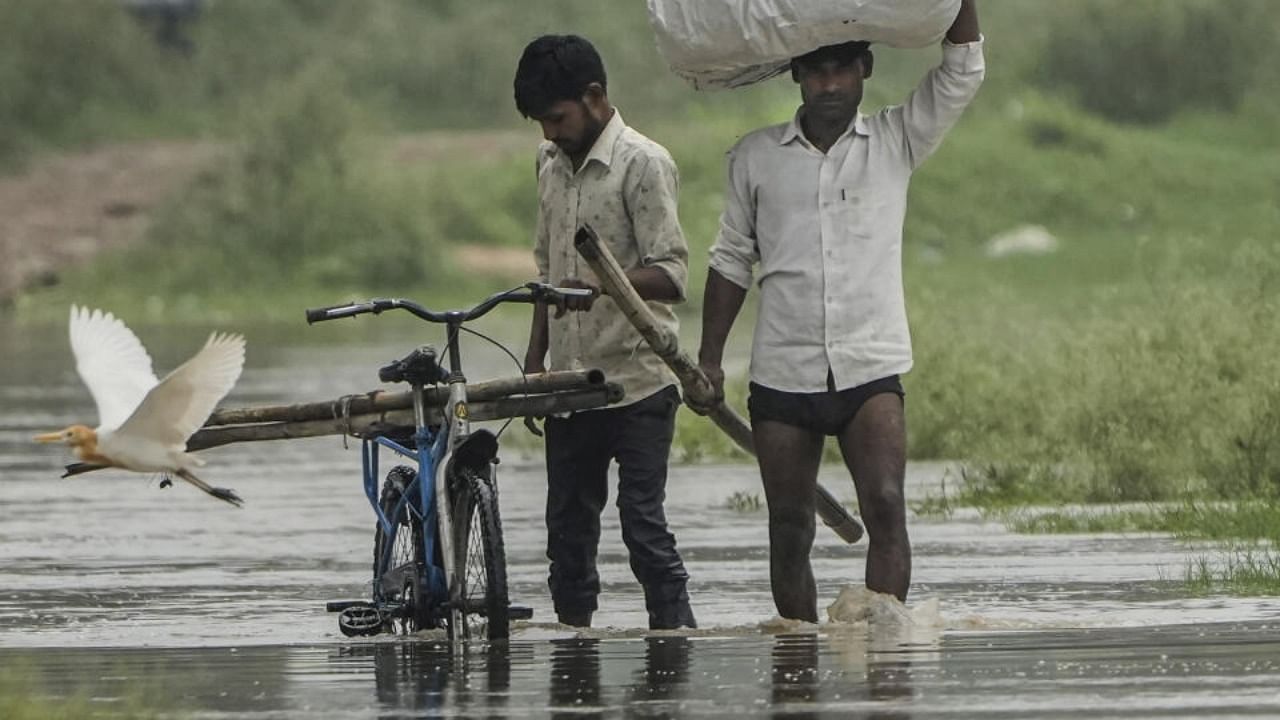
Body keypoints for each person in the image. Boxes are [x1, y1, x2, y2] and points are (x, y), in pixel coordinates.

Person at [693, 0, 984, 622]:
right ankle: (797, 663)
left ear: (866, 69)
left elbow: (962, 69)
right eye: (817, 70)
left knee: (884, 503)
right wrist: (710, 361)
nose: (830, 83)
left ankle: (883, 657)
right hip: (781, 374)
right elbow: (730, 260)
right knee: (790, 526)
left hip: (870, 367)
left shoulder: (897, 139)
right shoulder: (755, 156)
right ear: (795, 74)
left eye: (842, 69)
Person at [514, 34, 697, 630]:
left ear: (594, 98)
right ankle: (573, 655)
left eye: (557, 118)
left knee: (643, 528)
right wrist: (534, 364)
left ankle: (674, 647)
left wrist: (605, 284)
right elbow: (546, 273)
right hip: (569, 384)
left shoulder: (643, 163)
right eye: (541, 121)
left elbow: (671, 275)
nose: (549, 132)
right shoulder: (549, 166)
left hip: (638, 379)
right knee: (567, 537)